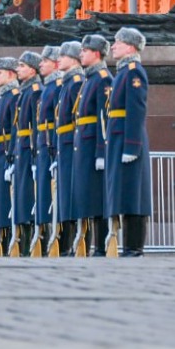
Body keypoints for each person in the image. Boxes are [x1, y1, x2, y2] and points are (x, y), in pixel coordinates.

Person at [104, 27, 151, 257]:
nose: (113, 46)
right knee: (124, 191)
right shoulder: (122, 72)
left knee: (134, 194)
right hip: (118, 137)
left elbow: (136, 109)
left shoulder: (134, 72)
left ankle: (134, 247)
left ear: (130, 46)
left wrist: (132, 145)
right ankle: (128, 246)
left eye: (118, 42)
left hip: (129, 140)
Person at [73, 35, 112, 256]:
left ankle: (101, 245)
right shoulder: (91, 79)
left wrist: (100, 151)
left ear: (96, 53)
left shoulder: (103, 78)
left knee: (98, 197)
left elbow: (103, 118)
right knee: (90, 195)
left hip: (93, 145)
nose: (81, 54)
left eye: (84, 51)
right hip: (84, 145)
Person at [54, 42, 85, 255]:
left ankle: (75, 245)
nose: (59, 59)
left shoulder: (75, 83)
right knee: (65, 198)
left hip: (72, 144)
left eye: (62, 56)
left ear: (73, 59)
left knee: (74, 198)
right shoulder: (67, 83)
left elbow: (79, 117)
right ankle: (66, 247)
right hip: (63, 145)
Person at [11, 51, 43, 255]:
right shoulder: (24, 92)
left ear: (32, 69)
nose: (18, 69)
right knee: (22, 199)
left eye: (21, 66)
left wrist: (33, 155)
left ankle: (33, 245)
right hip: (20, 149)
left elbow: (36, 125)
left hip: (28, 148)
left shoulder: (35, 91)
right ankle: (24, 247)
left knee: (29, 199)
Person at [0, 57, 21, 255]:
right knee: (1, 201)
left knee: (12, 202)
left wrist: (11, 156)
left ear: (10, 74)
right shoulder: (3, 98)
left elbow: (15, 129)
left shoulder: (14, 96)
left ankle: (15, 242)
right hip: (0, 154)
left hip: (11, 153)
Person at [34, 47, 63, 254]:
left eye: (45, 60)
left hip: (53, 146)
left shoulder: (57, 87)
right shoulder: (47, 88)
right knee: (44, 197)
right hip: (43, 146)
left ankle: (61, 242)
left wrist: (54, 149)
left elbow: (58, 120)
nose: (41, 64)